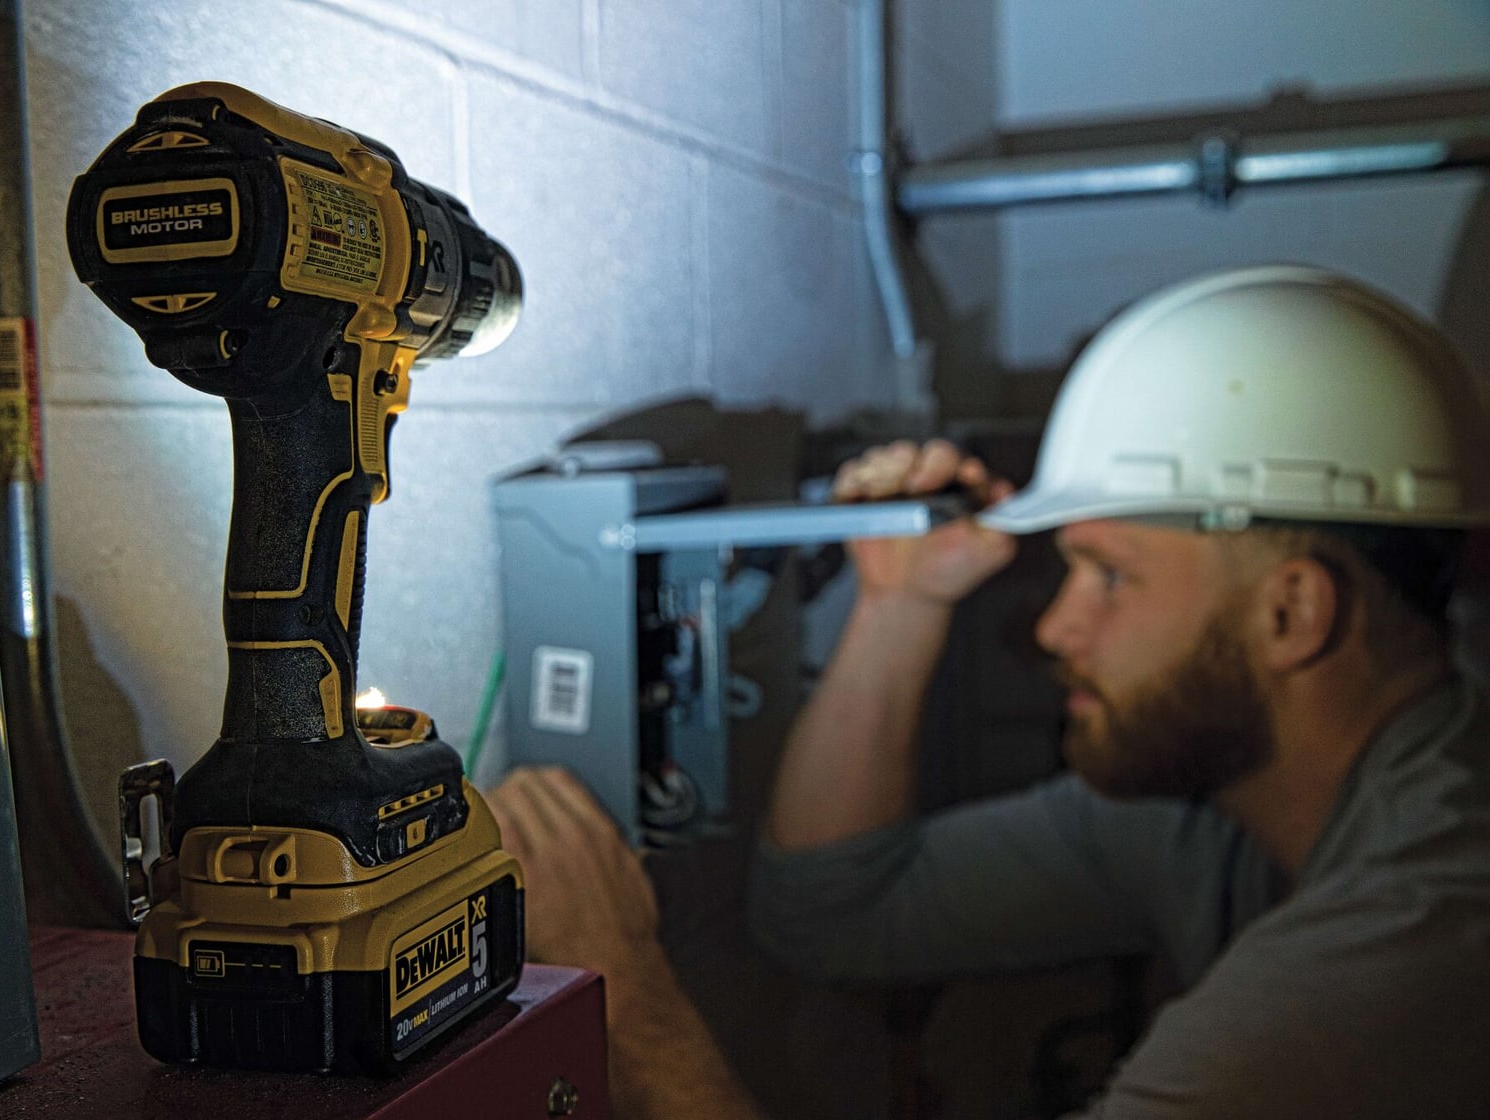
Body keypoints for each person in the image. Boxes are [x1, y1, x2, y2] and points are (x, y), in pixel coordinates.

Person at [487, 265, 1490, 1118]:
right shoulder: (1218, 812)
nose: (1053, 626)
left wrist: (617, 1002)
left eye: (1111, 574)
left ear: (1291, 613)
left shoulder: (1427, 938)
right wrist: (900, 604)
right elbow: (833, 914)